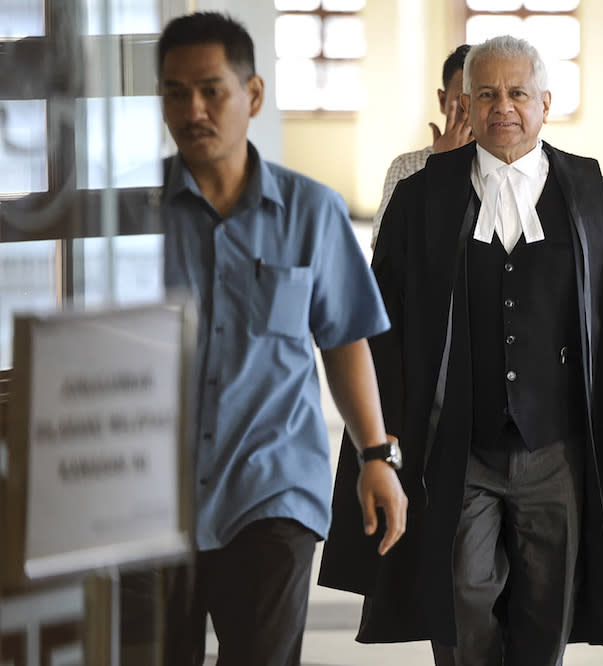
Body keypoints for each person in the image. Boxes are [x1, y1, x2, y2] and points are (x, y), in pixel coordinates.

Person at [320, 35, 603, 665]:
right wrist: (380, 440)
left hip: (558, 445)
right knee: (459, 597)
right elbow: (384, 329)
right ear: (465, 105)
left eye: (516, 93)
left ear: (545, 103)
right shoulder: (422, 198)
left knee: (547, 606)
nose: (502, 106)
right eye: (486, 94)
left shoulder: (591, 195)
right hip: (459, 443)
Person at [156, 12, 407, 665]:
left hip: (270, 488)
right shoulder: (136, 218)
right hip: (152, 497)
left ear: (253, 96)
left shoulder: (311, 211)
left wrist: (376, 456)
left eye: (212, 89)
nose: (194, 109)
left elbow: (344, 336)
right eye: (176, 93)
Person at [370, 44, 473, 248]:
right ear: (443, 101)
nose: (471, 109)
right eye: (462, 98)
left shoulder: (504, 164)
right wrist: (443, 167)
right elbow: (384, 246)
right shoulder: (408, 166)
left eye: (483, 96)